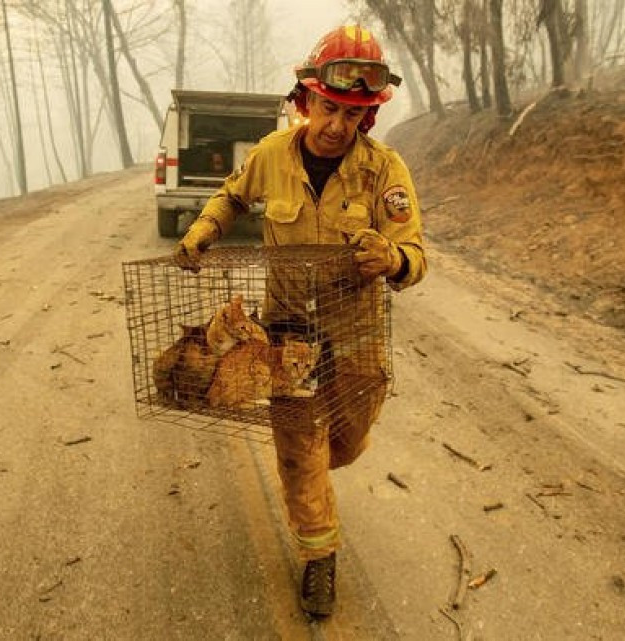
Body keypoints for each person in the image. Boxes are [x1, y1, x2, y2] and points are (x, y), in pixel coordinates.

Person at [174, 24, 427, 618]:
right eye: (329, 107)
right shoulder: (271, 155)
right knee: (300, 446)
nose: (337, 124)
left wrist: (391, 258)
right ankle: (320, 556)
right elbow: (232, 196)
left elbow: (416, 258)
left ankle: (314, 464)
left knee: (348, 442)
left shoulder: (384, 172)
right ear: (307, 100)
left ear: (367, 118)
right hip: (286, 334)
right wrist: (204, 229)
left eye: (352, 113)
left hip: (358, 338)